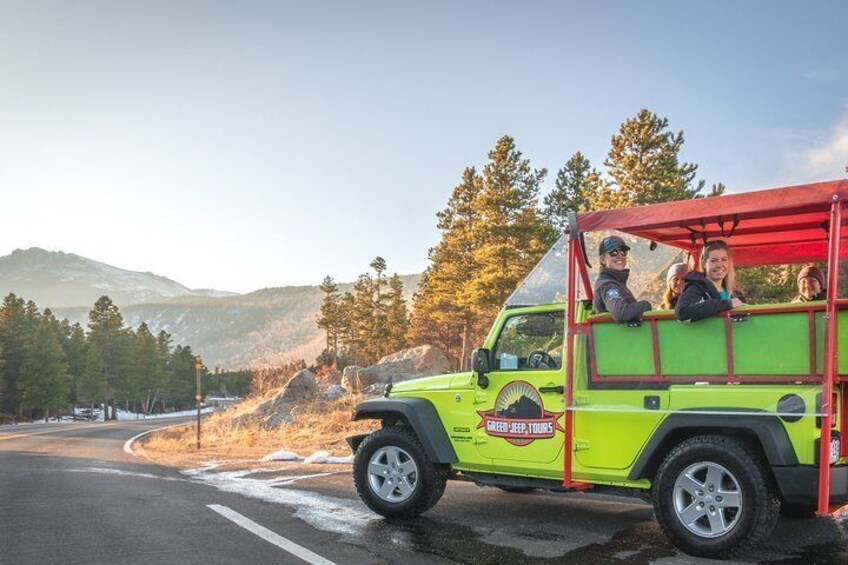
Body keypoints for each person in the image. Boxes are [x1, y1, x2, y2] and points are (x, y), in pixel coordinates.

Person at [676, 240, 744, 322]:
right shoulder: (697, 288)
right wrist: (727, 304)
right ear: (704, 264)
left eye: (724, 260)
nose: (719, 265)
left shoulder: (735, 292)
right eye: (713, 261)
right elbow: (682, 312)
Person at [593, 235, 652, 323]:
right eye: (613, 253)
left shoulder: (617, 282)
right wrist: (645, 305)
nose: (620, 256)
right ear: (602, 260)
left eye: (623, 252)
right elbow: (621, 313)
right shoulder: (608, 284)